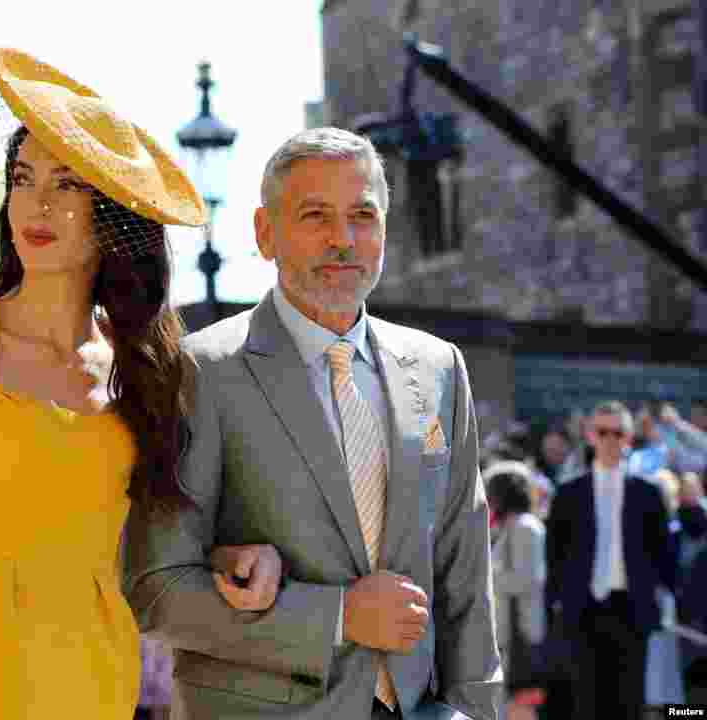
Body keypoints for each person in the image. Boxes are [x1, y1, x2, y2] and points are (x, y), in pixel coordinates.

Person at [0, 47, 264, 720]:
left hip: (93, 678)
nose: (37, 203)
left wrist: (233, 555)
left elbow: (160, 545)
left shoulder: (147, 376)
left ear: (112, 214)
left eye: (67, 184)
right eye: (23, 176)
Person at [125, 127, 501, 720]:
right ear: (264, 233)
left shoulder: (439, 369)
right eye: (315, 216)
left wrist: (474, 711)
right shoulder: (198, 373)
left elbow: (465, 573)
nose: (343, 240)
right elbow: (157, 588)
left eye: (362, 215)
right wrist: (338, 617)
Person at [544, 400, 677, 720]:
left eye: (618, 433)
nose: (610, 440)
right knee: (587, 702)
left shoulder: (647, 494)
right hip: (583, 609)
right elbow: (555, 554)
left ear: (628, 438)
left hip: (631, 609)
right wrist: (556, 603)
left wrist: (663, 598)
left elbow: (663, 554)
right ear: (591, 436)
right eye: (603, 432)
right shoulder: (568, 493)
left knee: (629, 702)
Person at [484, 461, 546, 720]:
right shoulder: (509, 527)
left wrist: (484, 577)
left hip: (523, 636)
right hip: (508, 637)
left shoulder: (525, 527)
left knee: (521, 708)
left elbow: (526, 580)